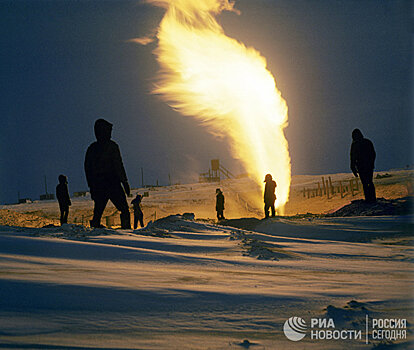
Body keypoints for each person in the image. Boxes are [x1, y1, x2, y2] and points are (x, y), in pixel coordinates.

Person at [84, 118, 131, 229]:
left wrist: (91, 186)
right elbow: (118, 165)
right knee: (122, 209)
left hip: (102, 185)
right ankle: (126, 230)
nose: (110, 134)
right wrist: (124, 182)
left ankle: (125, 229)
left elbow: (88, 170)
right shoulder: (110, 147)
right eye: (108, 131)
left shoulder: (93, 148)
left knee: (99, 211)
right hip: (110, 184)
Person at [350, 128, 376, 202]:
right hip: (366, 166)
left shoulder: (355, 145)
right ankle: (371, 198)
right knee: (369, 182)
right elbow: (373, 154)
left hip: (362, 166)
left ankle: (369, 199)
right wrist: (371, 164)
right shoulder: (367, 142)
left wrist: (353, 168)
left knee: (366, 183)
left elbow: (352, 158)